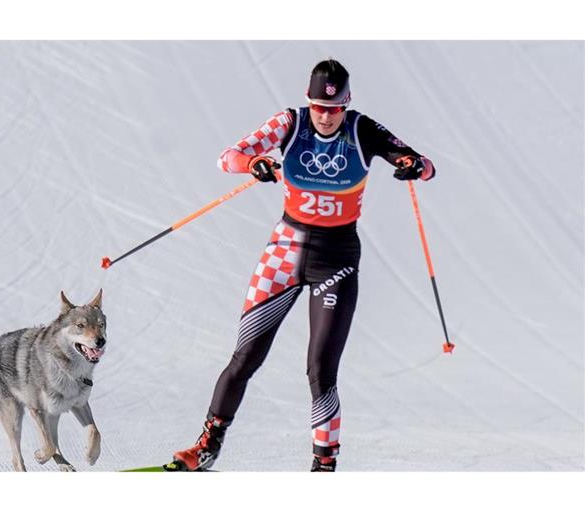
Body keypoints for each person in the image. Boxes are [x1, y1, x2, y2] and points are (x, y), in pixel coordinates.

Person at [167, 58, 436, 472]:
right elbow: (227, 157)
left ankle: (324, 465)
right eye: (317, 107)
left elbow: (423, 164)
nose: (325, 117)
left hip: (337, 260)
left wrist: (415, 165)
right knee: (245, 357)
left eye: (333, 109)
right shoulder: (290, 123)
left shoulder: (361, 129)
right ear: (307, 102)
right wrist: (252, 164)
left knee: (320, 370)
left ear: (346, 105)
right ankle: (206, 447)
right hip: (284, 253)